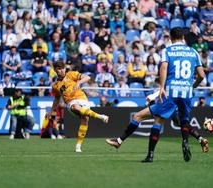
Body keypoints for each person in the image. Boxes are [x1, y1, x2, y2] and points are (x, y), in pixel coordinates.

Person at [106, 27, 207, 162]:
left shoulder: (167, 50)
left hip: (171, 92)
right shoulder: (193, 52)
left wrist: (162, 88)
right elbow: (201, 75)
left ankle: (149, 155)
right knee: (183, 120)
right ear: (183, 38)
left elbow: (164, 67)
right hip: (186, 92)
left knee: (156, 120)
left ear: (171, 38)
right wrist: (192, 87)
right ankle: (187, 140)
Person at [49, 61, 109, 152]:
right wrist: (51, 110)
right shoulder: (55, 86)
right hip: (70, 102)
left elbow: (87, 77)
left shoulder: (71, 74)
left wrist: (79, 82)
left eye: (62, 68)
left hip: (82, 98)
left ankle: (78, 146)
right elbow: (57, 99)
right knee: (75, 107)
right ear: (55, 70)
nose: (61, 70)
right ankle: (101, 116)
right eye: (59, 69)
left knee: (85, 119)